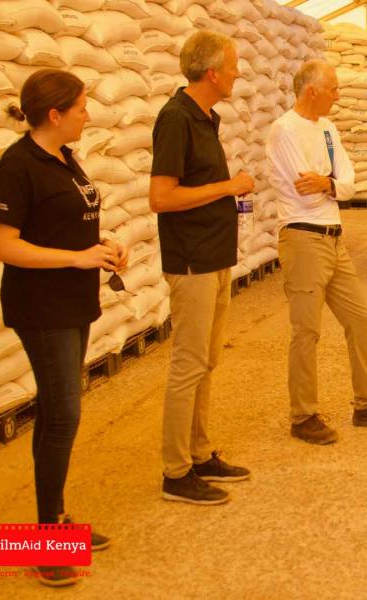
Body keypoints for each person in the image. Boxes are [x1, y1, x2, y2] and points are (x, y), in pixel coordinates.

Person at [0, 68, 128, 586]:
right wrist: (75, 259)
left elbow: (71, 226)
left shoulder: (66, 159)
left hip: (74, 302)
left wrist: (107, 247)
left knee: (55, 412)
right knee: (64, 416)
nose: (88, 115)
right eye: (82, 108)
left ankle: (55, 525)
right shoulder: (18, 166)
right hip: (41, 307)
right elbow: (1, 245)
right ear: (55, 114)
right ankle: (45, 541)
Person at [264, 59, 367, 445]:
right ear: (310, 90)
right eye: (333, 88)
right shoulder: (284, 130)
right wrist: (332, 187)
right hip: (302, 237)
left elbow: (349, 183)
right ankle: (303, 415)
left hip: (333, 237)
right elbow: (303, 190)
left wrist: (328, 184)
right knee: (306, 331)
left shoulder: (328, 129)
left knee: (361, 319)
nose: (338, 95)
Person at [150, 30, 254, 505]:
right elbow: (162, 197)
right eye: (231, 66)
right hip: (191, 260)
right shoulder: (175, 119)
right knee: (188, 365)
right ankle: (176, 473)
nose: (236, 74)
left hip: (214, 256)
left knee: (206, 362)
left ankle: (199, 450)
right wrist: (227, 187)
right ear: (212, 72)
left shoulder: (205, 117)